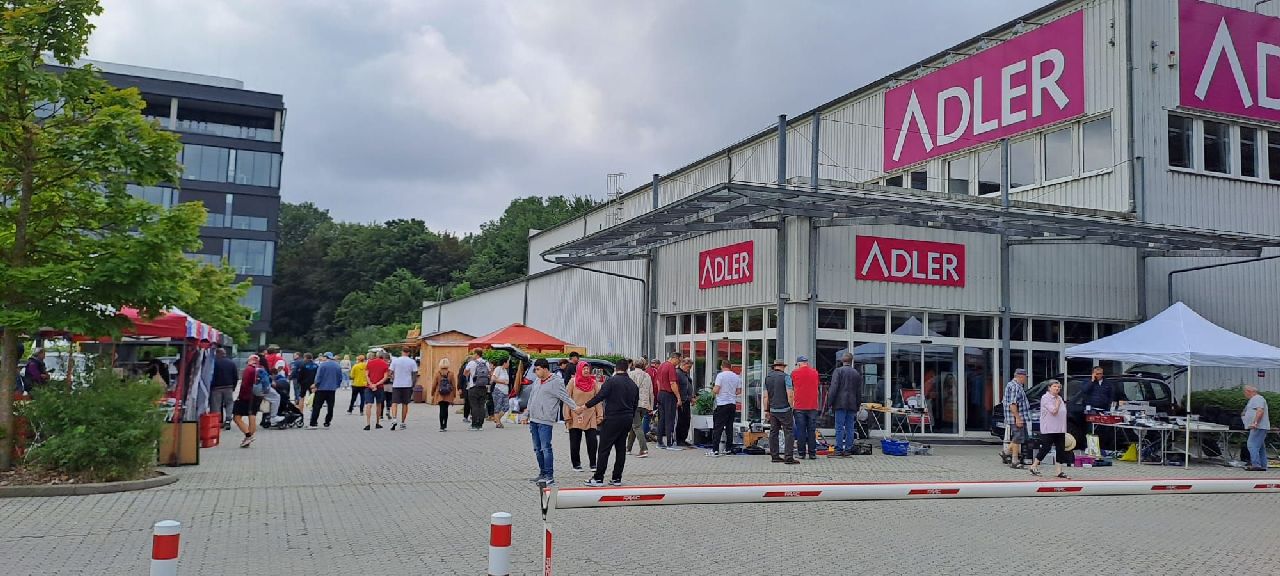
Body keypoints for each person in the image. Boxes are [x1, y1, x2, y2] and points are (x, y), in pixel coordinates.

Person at [521, 358, 579, 486]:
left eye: (537, 369)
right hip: (534, 420)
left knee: (546, 448)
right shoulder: (537, 381)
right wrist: (526, 414)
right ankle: (542, 474)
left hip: (545, 421)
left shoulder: (556, 382)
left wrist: (576, 409)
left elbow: (565, 397)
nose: (535, 372)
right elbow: (531, 399)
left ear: (545, 369)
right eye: (535, 369)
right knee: (537, 449)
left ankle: (549, 476)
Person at [582, 360, 639, 487]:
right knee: (620, 449)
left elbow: (600, 396)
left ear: (616, 369)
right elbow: (635, 404)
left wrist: (585, 406)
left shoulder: (611, 381)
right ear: (627, 368)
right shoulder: (633, 384)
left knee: (604, 449)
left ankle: (598, 478)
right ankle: (616, 478)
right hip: (627, 418)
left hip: (613, 418)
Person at [1029, 380, 1071, 479]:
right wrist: (1057, 402)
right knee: (1046, 448)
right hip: (1049, 428)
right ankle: (1034, 466)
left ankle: (1059, 471)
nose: (1057, 389)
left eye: (1058, 387)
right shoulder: (1045, 398)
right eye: (1055, 386)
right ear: (1049, 388)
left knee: (1060, 449)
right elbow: (1053, 411)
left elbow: (1063, 412)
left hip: (1060, 428)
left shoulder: (1059, 398)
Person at [565, 362, 602, 472]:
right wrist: (567, 416)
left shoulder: (594, 383)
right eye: (584, 368)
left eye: (587, 368)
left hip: (590, 414)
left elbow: (598, 400)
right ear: (579, 369)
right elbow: (567, 399)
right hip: (575, 413)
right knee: (575, 441)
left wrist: (600, 415)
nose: (586, 370)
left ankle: (593, 464)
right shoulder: (573, 382)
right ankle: (576, 464)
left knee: (592, 441)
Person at [824, 353, 863, 457]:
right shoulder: (856, 373)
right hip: (852, 404)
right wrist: (858, 405)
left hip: (840, 403)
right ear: (851, 361)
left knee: (839, 427)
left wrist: (829, 402)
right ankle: (848, 450)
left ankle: (839, 450)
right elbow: (859, 392)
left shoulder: (838, 371)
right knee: (850, 428)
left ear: (842, 361)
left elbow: (834, 388)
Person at [762, 359, 799, 464]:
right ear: (783, 367)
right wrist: (791, 406)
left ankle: (775, 456)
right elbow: (790, 394)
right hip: (785, 409)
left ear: (774, 367)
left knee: (774, 432)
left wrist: (766, 410)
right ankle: (788, 457)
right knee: (789, 432)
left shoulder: (767, 378)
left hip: (773, 410)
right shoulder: (786, 377)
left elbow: (765, 396)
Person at [709, 360, 741, 457]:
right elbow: (738, 391)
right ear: (730, 366)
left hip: (722, 403)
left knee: (718, 427)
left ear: (722, 366)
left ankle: (715, 450)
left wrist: (713, 390)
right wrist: (731, 393)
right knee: (729, 427)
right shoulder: (736, 376)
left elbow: (717, 389)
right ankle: (728, 449)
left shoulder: (720, 376)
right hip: (732, 404)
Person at [791, 356, 821, 460]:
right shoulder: (815, 372)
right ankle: (812, 453)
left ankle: (801, 453)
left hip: (799, 406)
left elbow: (792, 387)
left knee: (801, 430)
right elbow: (817, 387)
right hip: (812, 406)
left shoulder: (795, 373)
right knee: (811, 431)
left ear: (798, 364)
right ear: (806, 363)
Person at [1003, 368, 1032, 469]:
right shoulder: (1015, 386)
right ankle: (1015, 461)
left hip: (1016, 417)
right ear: (1020, 376)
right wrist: (1018, 418)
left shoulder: (1014, 385)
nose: (1026, 379)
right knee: (1017, 437)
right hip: (1015, 417)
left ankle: (1006, 452)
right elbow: (1013, 404)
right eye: (1025, 377)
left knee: (1019, 437)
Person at [654, 352, 682, 450]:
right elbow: (673, 383)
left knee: (662, 419)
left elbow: (657, 381)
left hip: (661, 393)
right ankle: (670, 443)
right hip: (669, 395)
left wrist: (659, 393)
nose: (678, 363)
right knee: (670, 418)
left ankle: (660, 442)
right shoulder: (671, 367)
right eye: (679, 360)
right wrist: (678, 397)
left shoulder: (661, 365)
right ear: (675, 358)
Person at [232, 355, 262, 447]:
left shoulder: (248, 369)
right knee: (252, 416)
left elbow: (244, 384)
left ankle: (248, 436)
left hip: (246, 397)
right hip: (257, 396)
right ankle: (248, 438)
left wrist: (239, 396)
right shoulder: (260, 369)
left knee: (236, 417)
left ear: (250, 360)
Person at [627, 358, 654, 458]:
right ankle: (628, 448)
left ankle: (644, 449)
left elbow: (627, 390)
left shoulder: (630, 375)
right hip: (644, 404)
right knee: (634, 426)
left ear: (634, 364)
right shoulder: (647, 376)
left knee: (637, 426)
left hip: (633, 404)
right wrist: (651, 406)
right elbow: (651, 392)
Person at [308, 352, 342, 429]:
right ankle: (327, 422)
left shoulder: (322, 365)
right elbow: (340, 378)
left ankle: (313, 423)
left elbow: (318, 377)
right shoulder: (337, 365)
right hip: (332, 389)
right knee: (330, 407)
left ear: (326, 357)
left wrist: (315, 385)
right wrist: (336, 385)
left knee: (317, 406)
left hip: (321, 389)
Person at [1243, 385, 1271, 471]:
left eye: (1245, 392)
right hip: (1259, 426)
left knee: (1251, 445)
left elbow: (1260, 410)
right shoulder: (1254, 399)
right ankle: (1263, 465)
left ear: (1249, 391)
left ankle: (1256, 465)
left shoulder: (1257, 398)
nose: (1244, 394)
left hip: (1258, 426)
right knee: (1260, 447)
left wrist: (1255, 423)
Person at [388, 348, 417, 430]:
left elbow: (389, 373)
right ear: (408, 353)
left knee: (394, 402)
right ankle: (403, 422)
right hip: (407, 385)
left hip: (396, 384)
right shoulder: (412, 362)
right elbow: (414, 374)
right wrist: (413, 384)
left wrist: (393, 377)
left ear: (402, 352)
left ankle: (394, 418)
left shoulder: (395, 361)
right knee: (405, 404)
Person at [209, 348, 238, 430]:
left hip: (216, 388)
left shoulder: (214, 363)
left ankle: (217, 422)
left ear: (217, 353)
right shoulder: (231, 363)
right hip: (228, 387)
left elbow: (210, 375)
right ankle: (228, 420)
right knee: (229, 403)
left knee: (216, 405)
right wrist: (234, 387)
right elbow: (235, 376)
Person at [464, 349, 492, 430]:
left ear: (476, 354)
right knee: (481, 405)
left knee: (474, 406)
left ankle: (474, 425)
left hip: (473, 387)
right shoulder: (486, 362)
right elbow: (490, 373)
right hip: (483, 387)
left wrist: (470, 374)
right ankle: (480, 425)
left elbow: (465, 373)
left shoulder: (472, 362)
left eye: (474, 354)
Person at [363, 351, 391, 430]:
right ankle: (377, 423)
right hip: (379, 387)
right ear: (383, 357)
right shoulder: (385, 364)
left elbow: (366, 375)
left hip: (369, 387)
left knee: (369, 404)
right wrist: (377, 384)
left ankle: (368, 424)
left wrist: (371, 384)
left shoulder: (369, 363)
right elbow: (385, 377)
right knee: (379, 404)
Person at [429, 358, 458, 431]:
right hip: (448, 394)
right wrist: (454, 394)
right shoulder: (451, 374)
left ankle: (441, 426)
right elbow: (454, 385)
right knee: (446, 409)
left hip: (440, 394)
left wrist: (432, 393)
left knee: (441, 409)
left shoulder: (437, 373)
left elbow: (434, 385)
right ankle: (445, 425)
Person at [674, 358, 695, 447]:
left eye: (690, 367)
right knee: (681, 421)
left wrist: (691, 397)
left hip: (686, 400)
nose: (689, 368)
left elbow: (688, 387)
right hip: (681, 401)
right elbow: (677, 387)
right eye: (688, 366)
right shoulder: (678, 373)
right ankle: (679, 440)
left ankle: (683, 439)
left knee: (687, 420)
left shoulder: (685, 374)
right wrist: (678, 399)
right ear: (683, 364)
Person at [490, 357, 511, 428]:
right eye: (508, 362)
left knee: (506, 407)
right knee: (497, 407)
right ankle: (498, 423)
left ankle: (497, 419)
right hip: (498, 390)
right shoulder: (498, 368)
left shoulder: (505, 370)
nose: (509, 364)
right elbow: (493, 378)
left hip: (505, 391)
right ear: (504, 363)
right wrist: (503, 382)